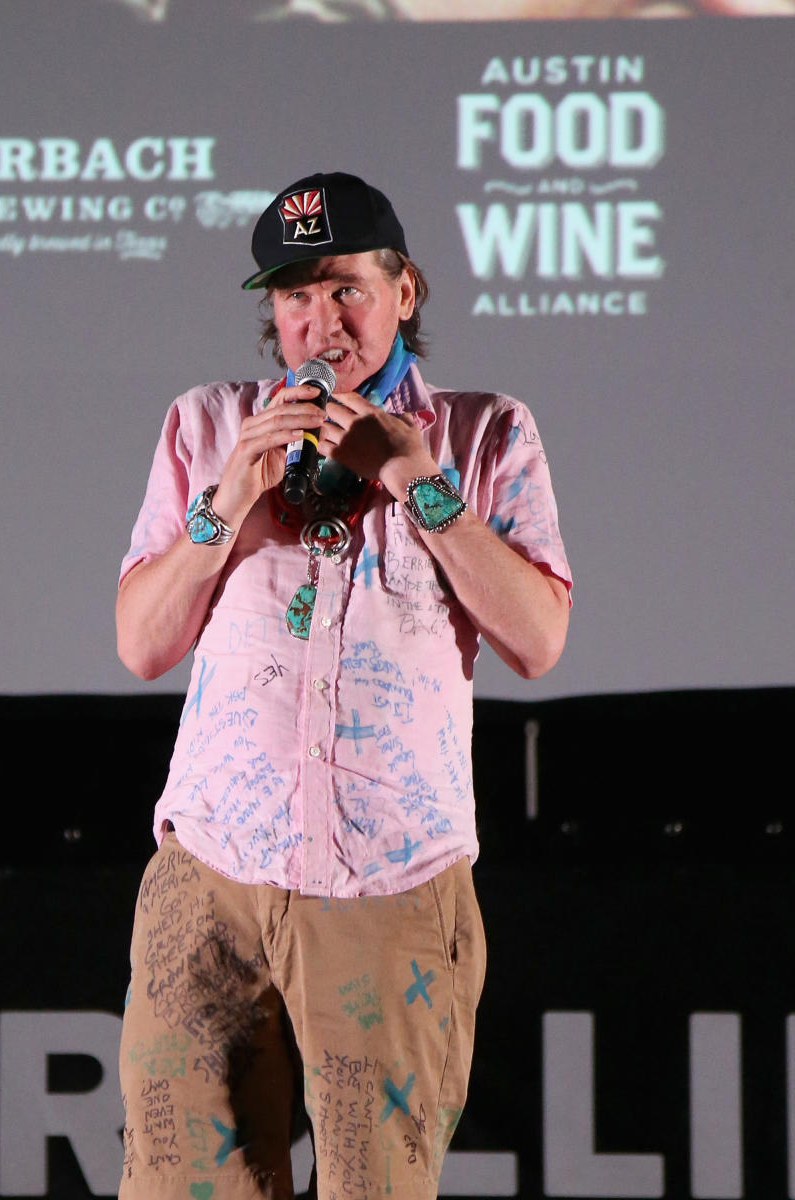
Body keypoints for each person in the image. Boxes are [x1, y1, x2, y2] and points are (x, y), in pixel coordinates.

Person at [115, 170, 572, 1200]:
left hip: (392, 890)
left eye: (345, 289)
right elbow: (142, 644)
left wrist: (421, 483)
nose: (319, 322)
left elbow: (538, 641)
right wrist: (227, 499)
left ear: (405, 289)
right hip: (213, 883)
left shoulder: (485, 433)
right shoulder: (209, 427)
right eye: (292, 296)